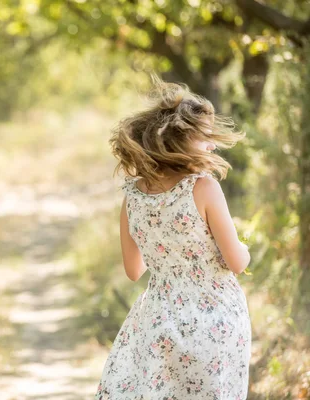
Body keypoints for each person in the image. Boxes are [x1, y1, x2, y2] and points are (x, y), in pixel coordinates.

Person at [95, 77, 252, 399]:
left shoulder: (132, 196)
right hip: (214, 317)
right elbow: (236, 262)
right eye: (206, 136)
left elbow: (133, 270)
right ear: (182, 140)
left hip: (157, 318)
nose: (212, 145)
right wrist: (243, 248)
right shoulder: (203, 187)